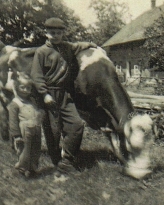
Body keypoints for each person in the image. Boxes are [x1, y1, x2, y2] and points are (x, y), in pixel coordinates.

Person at [30, 17, 97, 174]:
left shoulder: (67, 47)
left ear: (63, 33)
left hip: (65, 94)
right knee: (53, 131)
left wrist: (94, 45)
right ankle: (56, 160)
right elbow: (37, 75)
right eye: (52, 33)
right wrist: (44, 94)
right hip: (48, 95)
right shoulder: (41, 52)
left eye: (59, 33)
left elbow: (79, 45)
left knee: (77, 124)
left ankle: (67, 160)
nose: (56, 36)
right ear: (46, 33)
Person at [7, 72, 44, 177]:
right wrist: (16, 135)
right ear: (16, 87)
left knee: (36, 150)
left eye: (28, 88)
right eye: (22, 87)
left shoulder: (31, 101)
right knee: (24, 151)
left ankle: (32, 169)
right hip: (24, 131)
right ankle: (21, 169)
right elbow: (13, 121)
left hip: (36, 129)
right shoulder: (15, 103)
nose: (25, 90)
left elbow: (36, 112)